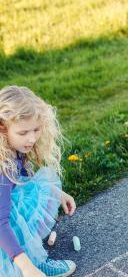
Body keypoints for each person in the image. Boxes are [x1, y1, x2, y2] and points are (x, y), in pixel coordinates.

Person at [0, 86, 77, 276]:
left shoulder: (12, 147)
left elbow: (23, 178)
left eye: (36, 129)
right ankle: (31, 262)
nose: (32, 138)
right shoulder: (2, 167)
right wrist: (28, 268)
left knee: (32, 187)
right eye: (24, 132)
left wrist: (57, 193)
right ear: (2, 127)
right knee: (16, 207)